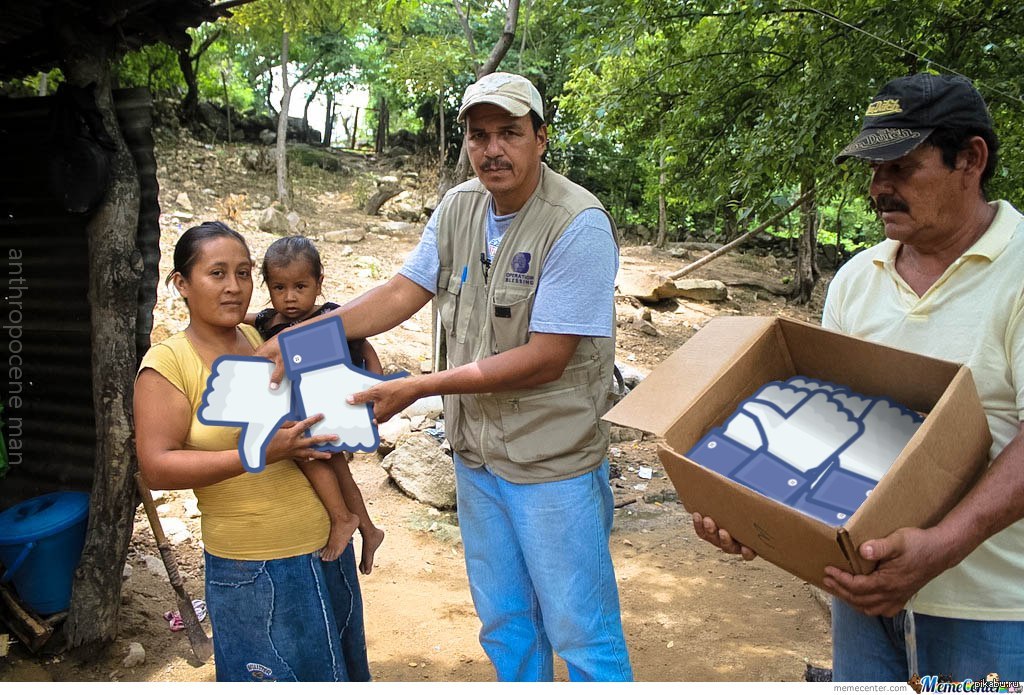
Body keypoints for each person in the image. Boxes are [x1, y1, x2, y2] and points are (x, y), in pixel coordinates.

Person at [258, 72, 633, 682]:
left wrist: (417, 387)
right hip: (477, 459)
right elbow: (405, 290)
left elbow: (547, 356)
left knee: (581, 629)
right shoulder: (460, 206)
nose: (492, 149)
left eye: (509, 133)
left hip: (552, 464)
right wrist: (300, 340)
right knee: (505, 622)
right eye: (478, 134)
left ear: (541, 137)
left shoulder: (577, 224)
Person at [693, 73, 1024, 680]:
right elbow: (830, 423)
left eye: (900, 166)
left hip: (994, 611)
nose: (879, 188)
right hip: (860, 593)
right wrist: (742, 502)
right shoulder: (856, 280)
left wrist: (943, 547)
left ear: (971, 159)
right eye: (872, 170)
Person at [134, 221, 371, 682]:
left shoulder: (264, 343)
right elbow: (157, 468)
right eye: (217, 274)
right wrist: (259, 452)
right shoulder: (167, 364)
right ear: (181, 284)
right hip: (254, 567)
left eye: (243, 273)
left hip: (324, 554)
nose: (234, 287)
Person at [246, 235, 386, 574]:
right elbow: (246, 317)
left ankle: (342, 517)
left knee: (306, 453)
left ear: (319, 283)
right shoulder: (270, 321)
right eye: (279, 287)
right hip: (307, 402)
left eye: (300, 286)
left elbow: (365, 347)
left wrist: (378, 386)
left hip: (331, 400)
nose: (290, 297)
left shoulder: (330, 315)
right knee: (337, 465)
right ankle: (367, 527)